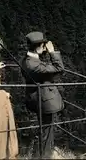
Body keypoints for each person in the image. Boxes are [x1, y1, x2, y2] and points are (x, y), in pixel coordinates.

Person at [20, 31, 65, 159]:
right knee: (46, 132)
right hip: (43, 101)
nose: (45, 47)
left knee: (45, 131)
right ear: (39, 46)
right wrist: (52, 52)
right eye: (43, 45)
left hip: (37, 98)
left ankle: (43, 154)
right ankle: (44, 156)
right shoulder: (34, 65)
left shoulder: (27, 60)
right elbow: (59, 68)